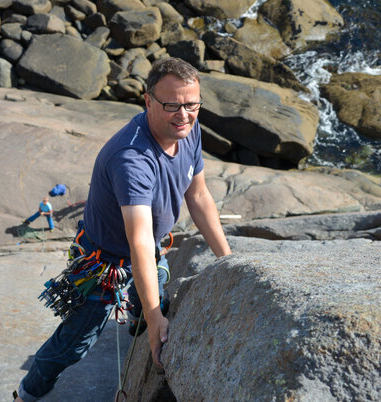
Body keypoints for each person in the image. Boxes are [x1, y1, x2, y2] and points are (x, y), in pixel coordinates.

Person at [14, 57, 232, 401]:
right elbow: (140, 240)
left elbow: (200, 195)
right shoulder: (131, 158)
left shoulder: (188, 130)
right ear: (147, 101)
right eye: (171, 105)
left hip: (148, 249)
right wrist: (155, 317)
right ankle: (27, 393)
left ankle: (137, 315)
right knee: (75, 344)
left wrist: (227, 260)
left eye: (191, 104)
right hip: (103, 265)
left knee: (153, 303)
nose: (183, 114)